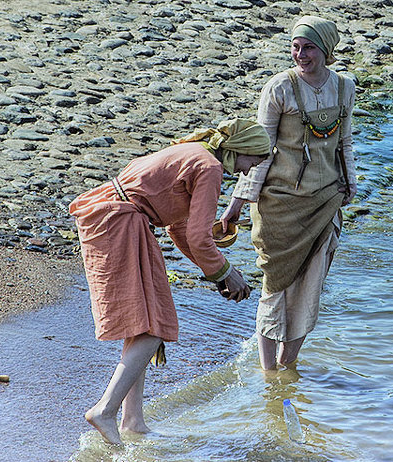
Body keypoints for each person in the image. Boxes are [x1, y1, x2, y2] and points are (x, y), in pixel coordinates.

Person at [69, 118, 270, 445]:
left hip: (112, 216)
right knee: (155, 328)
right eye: (252, 161)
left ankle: (133, 422)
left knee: (141, 325)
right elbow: (198, 237)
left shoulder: (195, 154)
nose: (248, 171)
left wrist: (215, 274)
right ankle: (105, 410)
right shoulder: (210, 167)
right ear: (241, 149)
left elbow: (178, 229)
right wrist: (226, 272)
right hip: (118, 222)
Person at [221, 16, 357, 371]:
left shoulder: (344, 87)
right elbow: (259, 148)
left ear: (326, 50)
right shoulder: (279, 88)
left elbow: (345, 141)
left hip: (325, 202)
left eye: (309, 47)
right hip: (277, 204)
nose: (301, 54)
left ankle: (288, 365)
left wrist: (350, 184)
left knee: (310, 287)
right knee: (275, 287)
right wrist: (237, 202)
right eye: (296, 47)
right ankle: (269, 372)